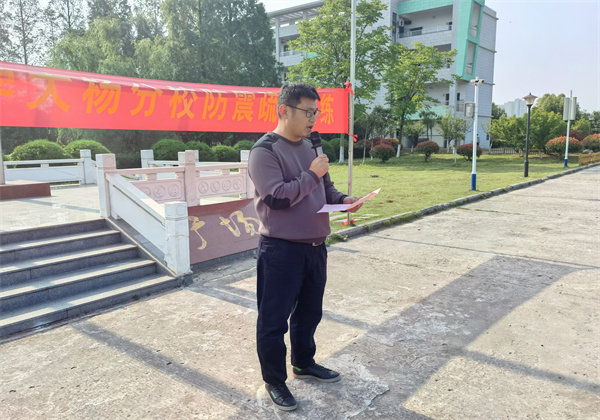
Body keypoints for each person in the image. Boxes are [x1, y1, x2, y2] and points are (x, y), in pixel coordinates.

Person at [248, 82, 362, 411]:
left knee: (310, 312)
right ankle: (274, 380)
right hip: (280, 250)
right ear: (284, 110)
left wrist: (344, 201)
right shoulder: (265, 151)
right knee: (273, 320)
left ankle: (303, 362)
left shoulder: (312, 146)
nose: (313, 119)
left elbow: (325, 189)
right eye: (308, 112)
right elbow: (277, 198)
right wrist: (312, 174)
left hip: (315, 246)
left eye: (316, 112)